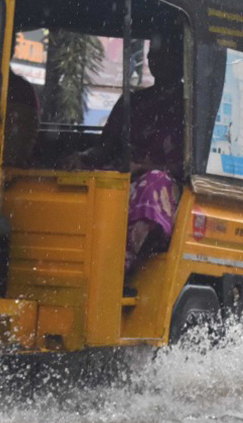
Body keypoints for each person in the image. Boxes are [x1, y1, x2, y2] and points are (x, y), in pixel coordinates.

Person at [79, 35, 185, 276]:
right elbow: (104, 147)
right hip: (122, 174)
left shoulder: (190, 105)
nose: (153, 59)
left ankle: (121, 268)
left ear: (179, 60)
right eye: (151, 54)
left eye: (161, 53)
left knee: (153, 184)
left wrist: (146, 166)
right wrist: (83, 159)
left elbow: (187, 164)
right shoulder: (133, 102)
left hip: (167, 183)